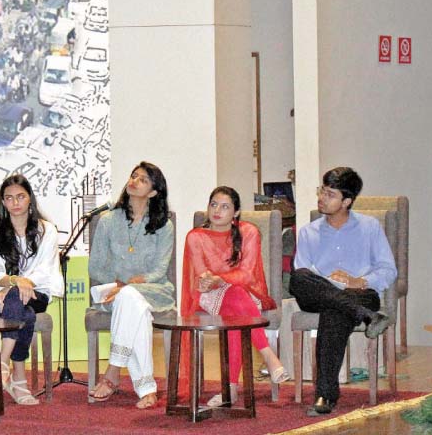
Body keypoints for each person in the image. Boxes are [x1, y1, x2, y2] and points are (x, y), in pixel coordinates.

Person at [290, 167, 397, 416]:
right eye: (322, 191)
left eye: (330, 194)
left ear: (347, 201)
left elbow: (388, 270)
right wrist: (328, 281)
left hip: (359, 292)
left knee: (334, 311)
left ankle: (325, 395)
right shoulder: (309, 232)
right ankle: (367, 315)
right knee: (300, 277)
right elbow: (303, 274)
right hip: (319, 293)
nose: (321, 198)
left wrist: (359, 281)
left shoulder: (370, 227)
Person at [181, 186, 289, 406]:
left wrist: (222, 279)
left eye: (225, 206)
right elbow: (202, 276)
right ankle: (268, 356)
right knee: (234, 297)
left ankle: (229, 389)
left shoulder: (249, 232)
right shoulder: (195, 236)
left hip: (245, 292)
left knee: (235, 300)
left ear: (236, 212)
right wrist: (211, 280)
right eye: (213, 204)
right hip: (208, 295)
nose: (217, 211)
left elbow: (247, 274)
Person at [88, 162, 175, 409]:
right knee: (135, 307)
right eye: (133, 176)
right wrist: (120, 283)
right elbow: (95, 267)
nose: (134, 181)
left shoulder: (163, 226)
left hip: (153, 291)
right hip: (112, 292)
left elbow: (159, 270)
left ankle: (113, 371)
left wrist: (132, 284)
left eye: (143, 180)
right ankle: (145, 387)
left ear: (154, 192)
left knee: (131, 298)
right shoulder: (107, 220)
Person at [0, 174, 63, 405]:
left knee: (17, 300)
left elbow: (45, 270)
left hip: (36, 292)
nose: (15, 202)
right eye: (9, 198)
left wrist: (19, 283)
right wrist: (11, 283)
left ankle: (1, 362)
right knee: (25, 313)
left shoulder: (47, 230)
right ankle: (18, 378)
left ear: (30, 199)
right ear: (3, 202)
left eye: (20, 196)